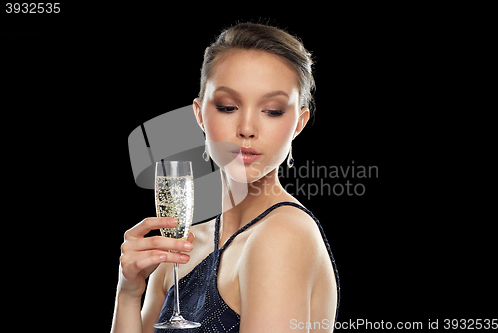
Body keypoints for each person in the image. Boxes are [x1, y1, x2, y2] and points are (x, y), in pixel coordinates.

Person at [111, 22, 339, 332]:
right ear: (200, 114)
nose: (247, 128)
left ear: (298, 123)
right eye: (227, 106)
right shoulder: (181, 251)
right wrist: (128, 291)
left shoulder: (282, 236)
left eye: (272, 110)